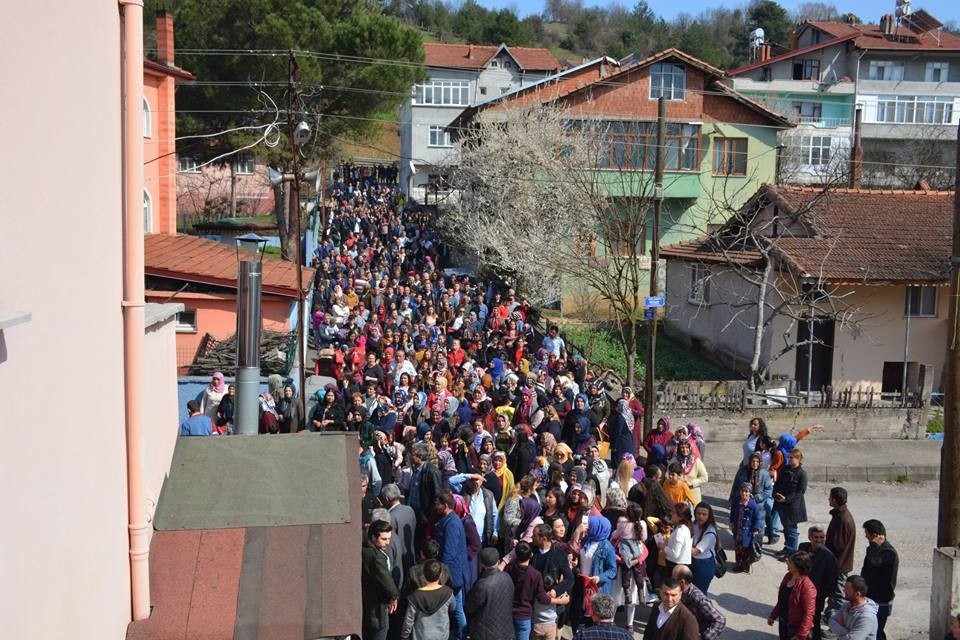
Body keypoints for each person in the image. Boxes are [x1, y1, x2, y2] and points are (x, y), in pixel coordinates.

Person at [433, 493, 470, 640]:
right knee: (456, 607)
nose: (436, 507)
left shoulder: (452, 523)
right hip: (451, 573)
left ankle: (462, 635)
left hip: (452, 574)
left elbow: (449, 552)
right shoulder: (448, 520)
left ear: (445, 506)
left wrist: (440, 575)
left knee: (457, 609)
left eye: (438, 504)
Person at [798, 525, 839, 640]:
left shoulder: (829, 557)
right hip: (799, 592)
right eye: (816, 537)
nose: (819, 540)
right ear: (810, 537)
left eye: (822, 537)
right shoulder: (803, 547)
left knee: (813, 622)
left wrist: (819, 596)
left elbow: (832, 582)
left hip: (816, 597)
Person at [466, 547, 516, 640]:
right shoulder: (507, 577)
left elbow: (470, 607)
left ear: (482, 564)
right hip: (506, 631)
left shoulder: (482, 585)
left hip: (485, 634)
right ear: (498, 561)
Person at [400, 559, 455, 640]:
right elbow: (453, 608)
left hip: (421, 636)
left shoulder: (416, 596)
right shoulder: (448, 592)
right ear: (440, 575)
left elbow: (409, 619)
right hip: (442, 635)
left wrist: (404, 636)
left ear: (424, 575)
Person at [860, 519, 898, 640]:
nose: (866, 536)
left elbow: (875, 562)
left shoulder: (889, 553)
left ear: (875, 535)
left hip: (882, 600)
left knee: (877, 631)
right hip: (871, 597)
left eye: (867, 533)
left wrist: (872, 545)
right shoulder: (874, 550)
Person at [362, 520, 399, 640]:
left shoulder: (364, 549)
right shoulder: (377, 557)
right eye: (384, 539)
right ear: (373, 536)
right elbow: (387, 582)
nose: (387, 542)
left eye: (389, 538)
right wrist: (394, 596)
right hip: (377, 611)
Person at [768, 550, 817, 640]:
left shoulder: (808, 587)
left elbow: (809, 614)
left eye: (790, 562)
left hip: (796, 628)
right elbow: (782, 600)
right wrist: (773, 615)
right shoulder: (788, 576)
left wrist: (801, 634)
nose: (787, 563)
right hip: (784, 622)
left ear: (797, 567)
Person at [824, 487, 857, 621]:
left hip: (839, 565)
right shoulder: (840, 515)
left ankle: (838, 621)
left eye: (830, 497)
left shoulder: (843, 519)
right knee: (833, 592)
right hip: (838, 563)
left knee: (838, 594)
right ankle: (830, 615)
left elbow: (837, 545)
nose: (828, 499)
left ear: (835, 500)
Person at [671, 565, 726, 640]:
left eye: (673, 579)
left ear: (682, 582)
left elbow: (720, 620)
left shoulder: (698, 599)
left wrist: (704, 637)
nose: (671, 580)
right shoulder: (679, 592)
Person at [729, 452, 774, 543]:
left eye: (757, 461)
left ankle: (755, 547)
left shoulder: (764, 474)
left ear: (760, 462)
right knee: (741, 525)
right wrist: (732, 499)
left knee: (757, 527)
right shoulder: (742, 471)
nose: (755, 463)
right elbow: (736, 486)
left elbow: (768, 489)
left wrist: (757, 497)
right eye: (753, 461)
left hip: (758, 505)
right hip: (742, 503)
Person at [774, 449, 808, 558]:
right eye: (789, 457)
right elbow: (778, 483)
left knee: (792, 530)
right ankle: (787, 547)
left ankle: (792, 553)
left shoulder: (802, 474)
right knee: (786, 529)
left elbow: (800, 492)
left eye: (792, 457)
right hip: (781, 504)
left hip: (792, 507)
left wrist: (787, 499)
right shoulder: (785, 469)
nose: (789, 459)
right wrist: (776, 494)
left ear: (798, 459)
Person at [382, 484, 416, 583]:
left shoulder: (390, 516)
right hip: (411, 555)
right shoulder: (410, 510)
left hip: (399, 560)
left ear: (387, 499)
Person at [827, 575, 878, 640]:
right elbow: (831, 621)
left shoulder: (867, 617)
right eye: (844, 588)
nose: (844, 590)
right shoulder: (847, 605)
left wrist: (840, 629)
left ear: (857, 594)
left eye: (847, 589)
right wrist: (848, 632)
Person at [730, 482, 763, 573]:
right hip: (737, 530)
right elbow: (732, 512)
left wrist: (755, 529)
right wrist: (732, 522)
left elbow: (757, 518)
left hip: (747, 533)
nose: (743, 493)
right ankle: (739, 563)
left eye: (746, 491)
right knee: (737, 548)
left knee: (745, 550)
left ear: (750, 493)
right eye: (742, 491)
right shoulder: (736, 501)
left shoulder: (753, 505)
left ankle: (743, 565)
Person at [689, 503, 718, 594]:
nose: (700, 516)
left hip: (704, 565)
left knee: (699, 593)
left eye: (704, 514)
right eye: (698, 513)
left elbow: (695, 551)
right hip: (693, 561)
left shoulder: (710, 532)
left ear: (709, 516)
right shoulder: (694, 524)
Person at [659, 502, 693, 573]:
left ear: (680, 517)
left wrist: (663, 547)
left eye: (674, 512)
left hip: (675, 566)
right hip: (679, 565)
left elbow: (675, 554)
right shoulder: (684, 528)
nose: (671, 513)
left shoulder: (680, 531)